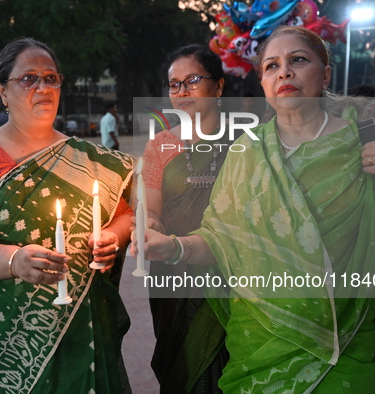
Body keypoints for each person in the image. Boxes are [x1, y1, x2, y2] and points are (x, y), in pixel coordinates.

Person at [133, 26, 375, 393]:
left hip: (342, 348)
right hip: (258, 345)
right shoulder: (247, 152)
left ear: (325, 74)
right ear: (263, 83)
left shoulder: (365, 141)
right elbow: (221, 240)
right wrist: (173, 247)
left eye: (298, 60)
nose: (284, 72)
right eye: (272, 66)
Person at [0, 38, 134, 393]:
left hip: (83, 325)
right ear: (2, 91)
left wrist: (114, 237)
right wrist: (14, 260)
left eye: (50, 78)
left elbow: (126, 217)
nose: (42, 87)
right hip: (8, 337)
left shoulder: (89, 158)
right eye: (28, 79)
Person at [141, 44, 233, 393]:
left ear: (219, 87)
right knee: (182, 366)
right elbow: (152, 210)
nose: (182, 91)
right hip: (174, 273)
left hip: (230, 272)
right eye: (174, 83)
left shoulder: (246, 142)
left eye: (192, 80)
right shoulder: (159, 146)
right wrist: (150, 226)